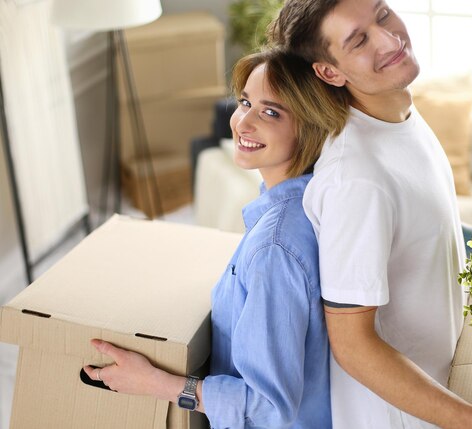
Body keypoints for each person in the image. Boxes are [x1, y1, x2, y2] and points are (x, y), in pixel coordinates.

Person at [269, 1, 472, 428]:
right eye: (359, 40)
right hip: (400, 418)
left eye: (383, 13)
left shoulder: (399, 114)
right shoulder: (356, 179)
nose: (391, 38)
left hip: (442, 386)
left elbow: (427, 229)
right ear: (330, 72)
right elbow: (352, 345)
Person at [83, 48, 350, 429]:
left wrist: (153, 382)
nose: (243, 122)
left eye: (270, 112)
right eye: (245, 102)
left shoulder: (277, 246)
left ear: (308, 126)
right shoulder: (293, 210)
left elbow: (269, 406)